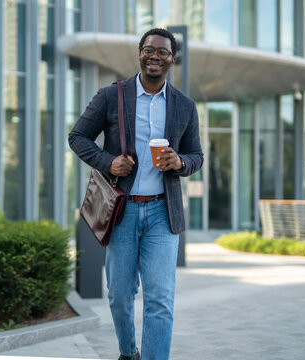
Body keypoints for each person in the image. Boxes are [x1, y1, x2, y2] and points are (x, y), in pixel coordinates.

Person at [68, 28, 203, 360]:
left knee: (160, 299)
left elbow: (196, 156)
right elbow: (78, 136)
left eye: (163, 52)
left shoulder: (185, 106)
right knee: (118, 294)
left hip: (162, 213)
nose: (155, 56)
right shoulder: (111, 96)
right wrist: (108, 162)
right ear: (140, 53)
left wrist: (180, 161)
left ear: (173, 60)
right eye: (149, 49)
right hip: (122, 210)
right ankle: (128, 353)